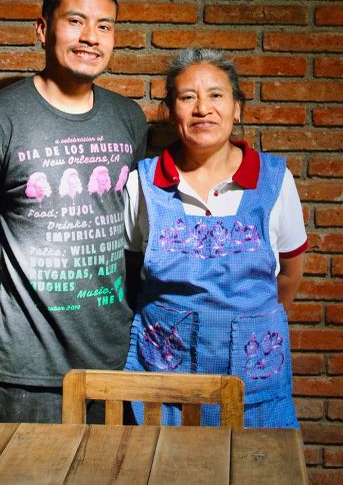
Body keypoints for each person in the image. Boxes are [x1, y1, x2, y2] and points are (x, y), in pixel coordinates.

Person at [0, 0, 147, 423]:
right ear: (43, 29)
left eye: (104, 26)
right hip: (30, 369)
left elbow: (133, 225)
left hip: (119, 354)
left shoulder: (129, 119)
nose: (90, 38)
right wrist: (26, 288)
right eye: (75, 21)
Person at [124, 48, 307, 428]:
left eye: (216, 95)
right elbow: (128, 276)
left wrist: (248, 321)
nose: (202, 108)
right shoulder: (142, 184)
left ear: (237, 108)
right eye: (188, 97)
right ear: (171, 110)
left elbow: (288, 277)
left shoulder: (274, 180)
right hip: (164, 379)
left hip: (252, 380)